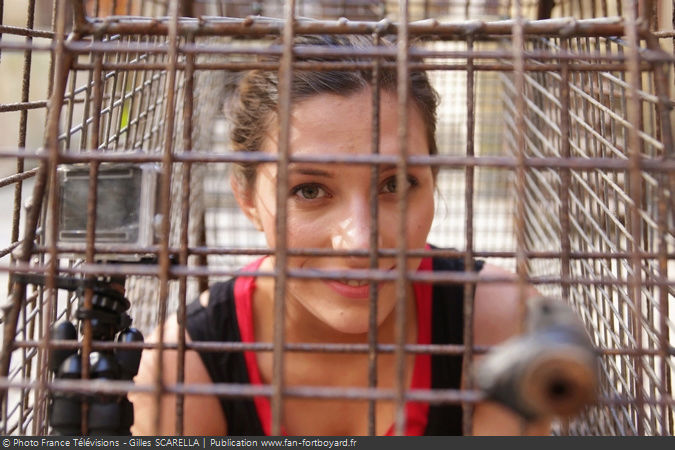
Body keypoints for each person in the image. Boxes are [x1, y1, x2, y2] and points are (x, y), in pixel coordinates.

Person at [130, 34, 550, 436]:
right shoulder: (183, 370)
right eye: (309, 191)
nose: (360, 242)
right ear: (247, 199)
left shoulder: (501, 322)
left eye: (395, 184)